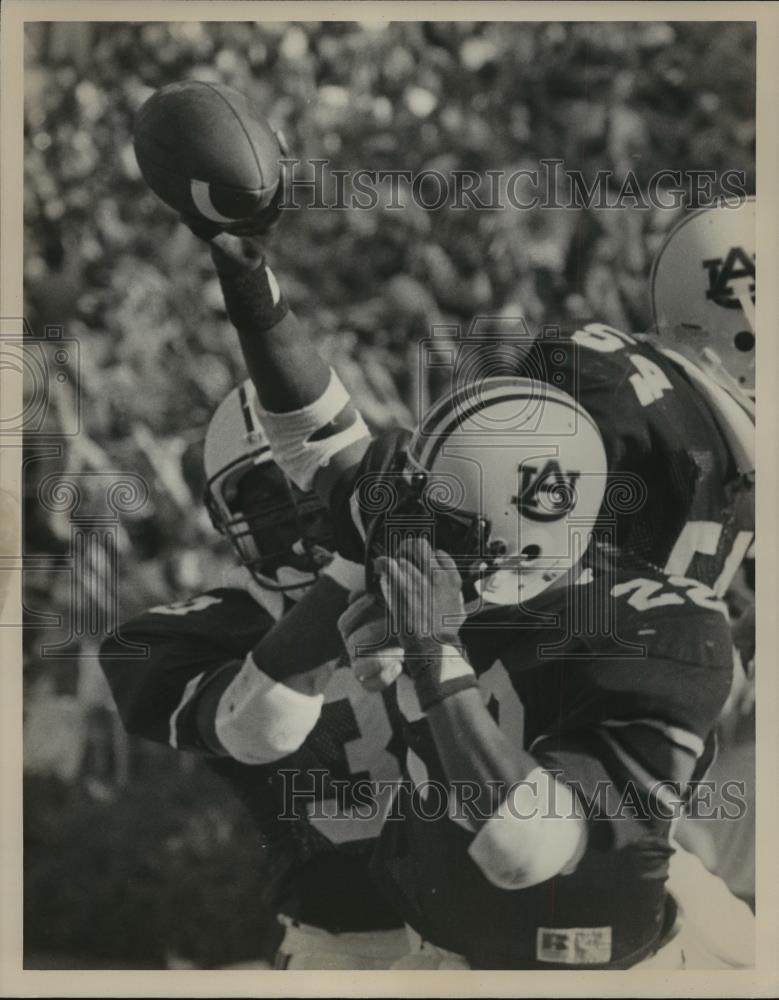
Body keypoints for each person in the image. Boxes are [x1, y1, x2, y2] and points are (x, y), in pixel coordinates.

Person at [137, 132, 755, 966]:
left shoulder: (656, 633)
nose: (415, 521)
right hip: (471, 935)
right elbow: (322, 438)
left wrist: (431, 647)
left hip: (574, 942)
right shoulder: (621, 597)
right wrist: (249, 280)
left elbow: (526, 849)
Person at [99, 382, 407, 970]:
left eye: (306, 484)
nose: (293, 511)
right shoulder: (196, 633)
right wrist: (364, 559)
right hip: (344, 950)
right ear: (222, 517)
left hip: (485, 932)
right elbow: (248, 723)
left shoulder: (453, 579)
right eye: (262, 494)